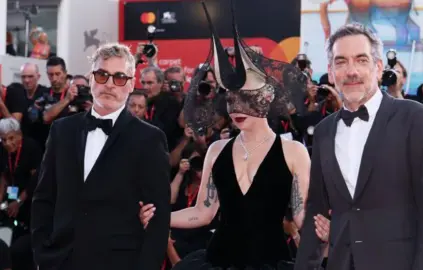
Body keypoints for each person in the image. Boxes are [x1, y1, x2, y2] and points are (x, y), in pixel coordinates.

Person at [139, 1, 309, 269]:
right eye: (230, 99)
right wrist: (161, 215)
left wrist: (336, 227)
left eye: (244, 98)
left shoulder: (293, 152)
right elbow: (203, 212)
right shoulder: (217, 150)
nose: (235, 107)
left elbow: (301, 216)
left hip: (272, 261)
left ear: (265, 97)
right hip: (218, 260)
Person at [295, 23, 423, 270]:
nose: (351, 71)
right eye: (341, 62)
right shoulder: (324, 131)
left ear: (377, 68)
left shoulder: (415, 118)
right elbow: (316, 209)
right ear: (331, 73)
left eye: (361, 60)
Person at [30, 43, 171, 270]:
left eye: (119, 77)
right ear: (91, 78)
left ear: (131, 84)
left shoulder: (149, 138)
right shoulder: (62, 130)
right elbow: (44, 198)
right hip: (61, 260)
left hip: (119, 262)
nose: (110, 84)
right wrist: (43, 254)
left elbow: (158, 218)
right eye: (102, 75)